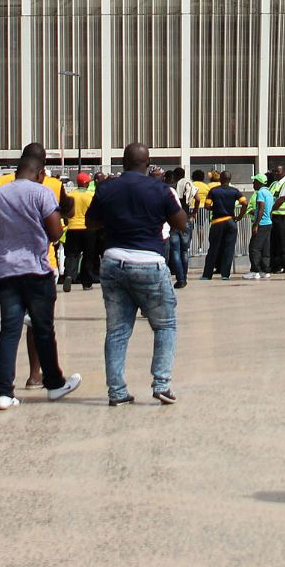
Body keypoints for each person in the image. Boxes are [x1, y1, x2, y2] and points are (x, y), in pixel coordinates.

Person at [0, 154, 81, 410]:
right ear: (40, 173)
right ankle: (53, 384)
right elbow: (54, 233)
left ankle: (4, 393)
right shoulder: (42, 194)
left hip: (7, 272)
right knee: (43, 330)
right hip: (37, 272)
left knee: (9, 331)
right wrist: (59, 225)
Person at [87, 142, 185, 406]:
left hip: (113, 260)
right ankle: (161, 384)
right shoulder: (161, 189)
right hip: (148, 261)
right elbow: (181, 223)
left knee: (117, 330)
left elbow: (91, 223)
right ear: (148, 162)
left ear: (123, 162)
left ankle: (117, 391)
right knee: (165, 325)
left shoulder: (106, 188)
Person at [202, 174, 243, 281]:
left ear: (220, 179)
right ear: (230, 179)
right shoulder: (235, 191)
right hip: (230, 221)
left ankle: (207, 275)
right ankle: (225, 275)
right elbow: (245, 203)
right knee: (228, 249)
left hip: (217, 222)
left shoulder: (214, 191)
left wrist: (214, 208)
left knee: (213, 249)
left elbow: (206, 206)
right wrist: (239, 216)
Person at [61, 172, 96, 292]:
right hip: (88, 229)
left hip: (72, 228)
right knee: (88, 256)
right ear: (86, 183)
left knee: (71, 255)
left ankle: (69, 275)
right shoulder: (91, 195)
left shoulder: (71, 195)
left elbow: (65, 212)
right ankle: (86, 283)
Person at [244, 173, 275, 279]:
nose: (253, 183)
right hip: (268, 223)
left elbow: (261, 208)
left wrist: (256, 224)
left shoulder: (261, 193)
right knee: (265, 247)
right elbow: (270, 209)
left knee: (254, 247)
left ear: (259, 183)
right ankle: (265, 270)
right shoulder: (269, 192)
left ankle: (255, 270)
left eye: (255, 181)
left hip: (261, 223)